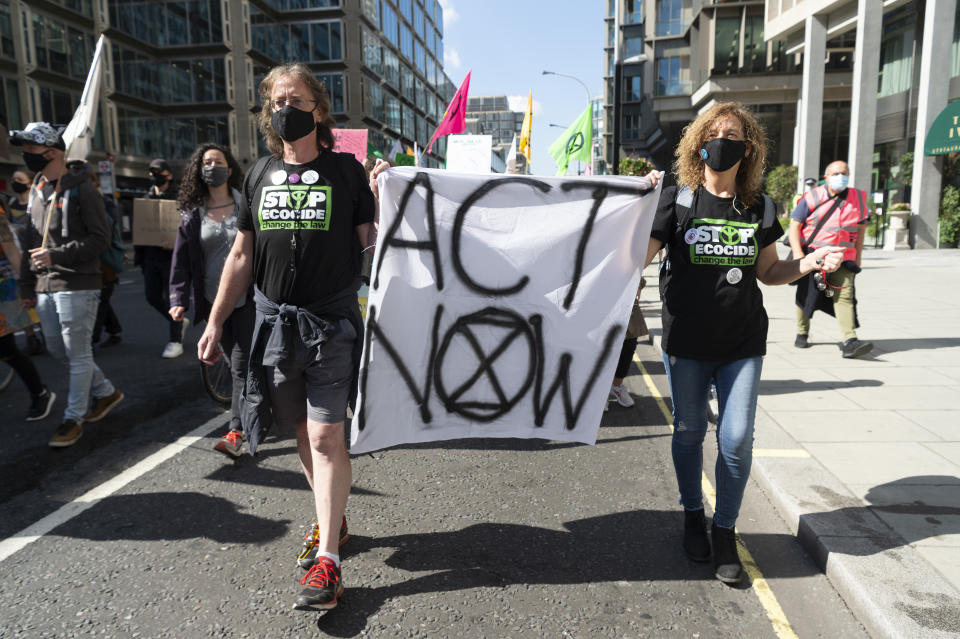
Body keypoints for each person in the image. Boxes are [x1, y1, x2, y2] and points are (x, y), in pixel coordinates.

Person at [197, 63, 382, 611]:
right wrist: (213, 321)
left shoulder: (347, 174)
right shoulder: (256, 176)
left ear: (317, 109)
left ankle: (328, 560)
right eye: (277, 100)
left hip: (330, 328)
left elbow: (376, 246)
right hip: (274, 329)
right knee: (301, 434)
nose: (285, 108)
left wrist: (389, 194)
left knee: (327, 437)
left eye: (296, 99)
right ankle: (335, 519)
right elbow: (241, 255)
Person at [642, 102, 844, 584]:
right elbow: (636, 258)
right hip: (687, 342)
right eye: (711, 133)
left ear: (747, 147)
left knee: (735, 440)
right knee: (689, 433)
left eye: (730, 133)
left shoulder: (760, 206)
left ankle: (725, 529)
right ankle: (693, 514)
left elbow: (771, 272)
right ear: (697, 143)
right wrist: (636, 200)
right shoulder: (678, 199)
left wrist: (811, 261)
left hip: (741, 343)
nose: (720, 140)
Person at [10, 122, 124, 448]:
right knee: (60, 351)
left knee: (77, 353)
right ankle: (106, 392)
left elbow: (100, 239)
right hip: (46, 286)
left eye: (31, 149)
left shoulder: (82, 188)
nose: (26, 155)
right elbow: (30, 242)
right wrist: (26, 286)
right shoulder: (35, 191)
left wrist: (56, 254)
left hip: (78, 284)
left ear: (53, 152)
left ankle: (72, 418)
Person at [169, 143, 253, 458]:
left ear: (229, 169)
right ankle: (254, 413)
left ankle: (237, 430)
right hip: (212, 302)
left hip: (248, 300)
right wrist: (178, 298)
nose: (211, 166)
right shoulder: (193, 215)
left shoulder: (247, 204)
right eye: (206, 162)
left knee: (241, 368)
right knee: (239, 366)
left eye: (217, 161)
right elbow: (180, 262)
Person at [789, 161, 872, 358]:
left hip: (844, 259)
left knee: (845, 295)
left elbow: (860, 232)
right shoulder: (813, 196)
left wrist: (858, 258)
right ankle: (802, 332)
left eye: (844, 173)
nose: (840, 176)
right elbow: (794, 227)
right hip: (815, 256)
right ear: (826, 177)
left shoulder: (858, 198)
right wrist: (799, 256)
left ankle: (849, 340)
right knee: (806, 295)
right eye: (835, 173)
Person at [0, 200, 56, 421]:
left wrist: (27, 286)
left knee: (6, 350)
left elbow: (12, 252)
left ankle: (40, 393)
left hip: (2, 288)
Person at [136, 158, 186, 358]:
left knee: (174, 299)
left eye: (158, 172)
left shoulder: (180, 199)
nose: (153, 175)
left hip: (172, 259)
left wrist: (178, 245)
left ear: (169, 175)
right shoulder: (145, 198)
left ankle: (175, 340)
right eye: (151, 172)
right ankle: (179, 321)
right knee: (152, 297)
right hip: (150, 257)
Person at [6, 168, 46, 355]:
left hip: (33, 254)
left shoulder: (35, 201)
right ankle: (31, 337)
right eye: (14, 179)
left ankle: (46, 331)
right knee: (21, 299)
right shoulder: (10, 203)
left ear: (30, 182)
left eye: (19, 179)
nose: (16, 182)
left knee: (36, 296)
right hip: (16, 254)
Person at [89, 170, 124, 348]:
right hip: (95, 265)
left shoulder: (104, 204)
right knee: (102, 300)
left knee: (100, 301)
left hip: (104, 265)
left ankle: (91, 341)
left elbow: (105, 236)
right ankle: (114, 330)